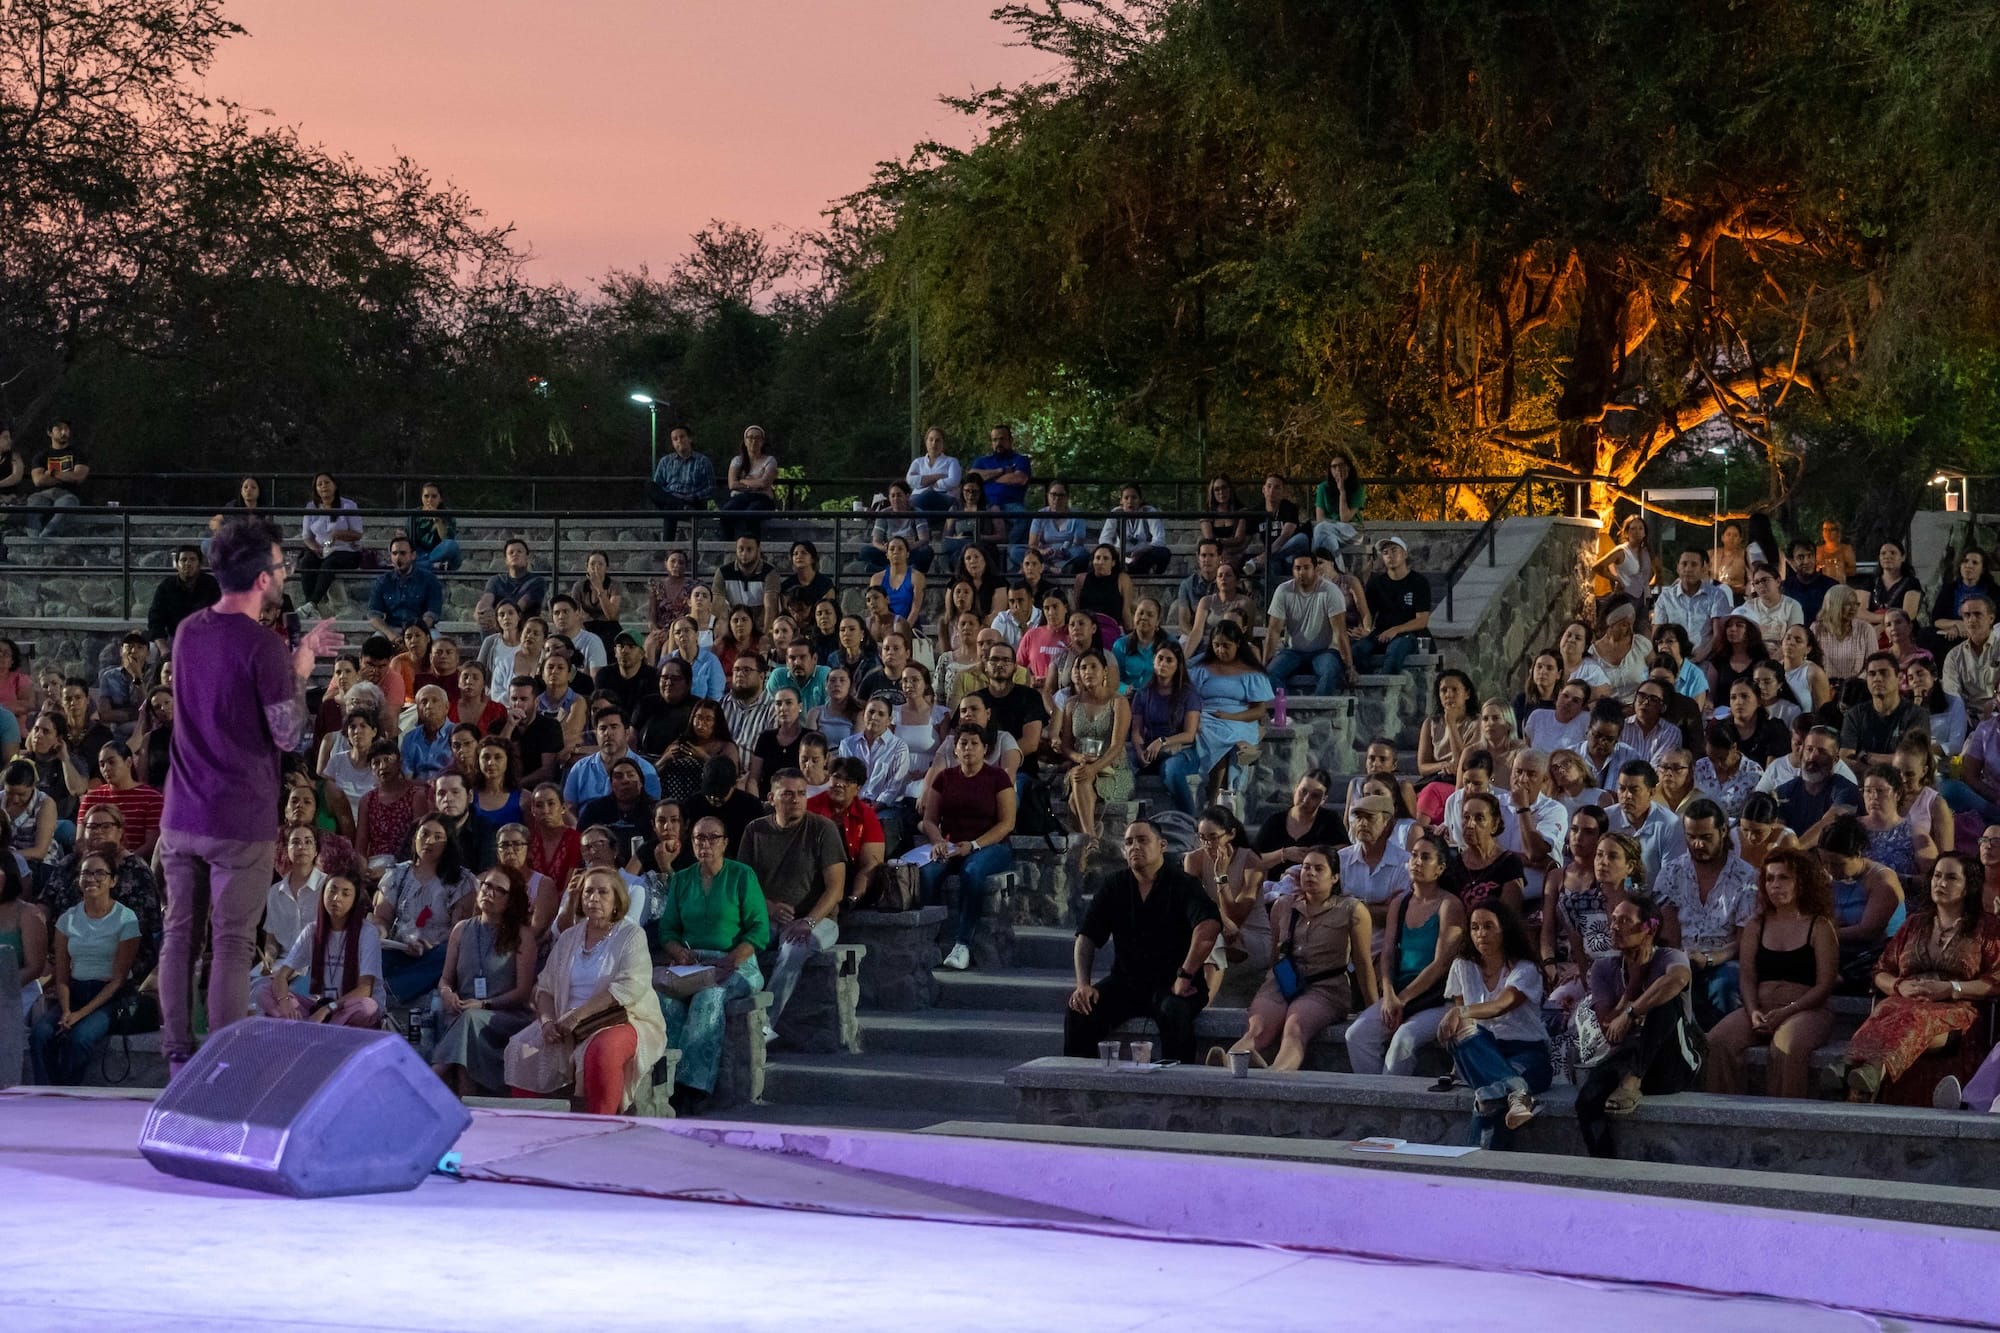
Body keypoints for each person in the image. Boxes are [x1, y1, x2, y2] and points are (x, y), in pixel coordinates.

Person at [154, 517, 340, 1074]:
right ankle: (220, 1072)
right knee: (232, 945)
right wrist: (301, 668)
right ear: (263, 579)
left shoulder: (187, 630)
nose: (285, 574)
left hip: (182, 812)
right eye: (281, 567)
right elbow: (286, 736)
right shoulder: (263, 649)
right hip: (239, 818)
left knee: (179, 938)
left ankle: (176, 1061)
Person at [1839, 853, 2000, 1102]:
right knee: (1887, 1009)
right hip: (1904, 1001)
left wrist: (1950, 988)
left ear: (1968, 885)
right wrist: (1899, 985)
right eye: (1937, 876)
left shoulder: (1987, 928)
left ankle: (1861, 1069)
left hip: (1958, 1011)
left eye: (1951, 878)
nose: (1941, 883)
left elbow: (1995, 982)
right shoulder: (1914, 924)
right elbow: (1879, 971)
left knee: (1913, 1015)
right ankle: (1858, 1074)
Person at [507, 866, 666, 1115]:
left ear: (617, 900)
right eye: (588, 892)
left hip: (620, 1019)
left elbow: (629, 987)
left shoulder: (631, 935)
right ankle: (533, 1128)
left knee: (602, 1050)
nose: (594, 898)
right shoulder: (570, 937)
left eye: (603, 892)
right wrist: (547, 1021)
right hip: (564, 1021)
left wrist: (578, 1015)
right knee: (521, 1047)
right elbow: (545, 987)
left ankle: (601, 1127)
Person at [1064, 819, 1222, 1063]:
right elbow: (1086, 936)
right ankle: (1077, 1086)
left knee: (1175, 1012)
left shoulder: (1183, 884)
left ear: (1162, 845)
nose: (1135, 847)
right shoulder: (1115, 886)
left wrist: (1185, 974)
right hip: (1126, 982)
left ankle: (1179, 1090)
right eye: (1129, 842)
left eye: (1142, 840)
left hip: (1175, 983)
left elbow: (1208, 926)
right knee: (1081, 1010)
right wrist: (1083, 983)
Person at [650, 818, 769, 1111]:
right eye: (698, 838)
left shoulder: (742, 875)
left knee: (709, 996)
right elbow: (668, 930)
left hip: (738, 963)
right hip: (693, 964)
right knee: (665, 1000)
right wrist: (678, 952)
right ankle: (668, 1075)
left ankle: (694, 1085)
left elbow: (759, 929)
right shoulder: (682, 879)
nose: (705, 844)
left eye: (712, 838)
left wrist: (730, 960)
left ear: (725, 842)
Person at [1702, 848, 1839, 1099]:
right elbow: (1747, 975)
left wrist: (1787, 1011)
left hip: (1807, 1008)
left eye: (1784, 878)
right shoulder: (1757, 924)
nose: (1775, 885)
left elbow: (1825, 984)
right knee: (1718, 1041)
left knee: (1786, 1046)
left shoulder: (1819, 926)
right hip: (1761, 1005)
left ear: (1801, 882)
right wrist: (1753, 1011)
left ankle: (1784, 1123)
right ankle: (1725, 1117)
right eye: (1770, 878)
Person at [1576, 891, 1703, 1157]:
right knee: (1586, 1100)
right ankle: (1605, 1171)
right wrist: (1634, 981)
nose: (1614, 927)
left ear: (1649, 928)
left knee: (1667, 1001)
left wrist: (1632, 1013)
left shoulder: (1671, 956)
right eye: (1613, 920)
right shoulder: (1603, 968)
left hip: (1672, 1065)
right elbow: (1610, 1030)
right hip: (1626, 1055)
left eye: (1624, 921)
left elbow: (1678, 980)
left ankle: (1634, 1078)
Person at [1227, 846, 1373, 1071]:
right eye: (1306, 867)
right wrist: (1270, 987)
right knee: (1258, 1028)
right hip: (1284, 981)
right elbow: (1275, 956)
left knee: (1295, 1026)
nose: (1310, 873)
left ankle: (1274, 1076)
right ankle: (1228, 1066)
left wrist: (1373, 1009)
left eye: (1318, 869)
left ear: (1334, 877)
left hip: (1326, 988)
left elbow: (1363, 964)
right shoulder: (1283, 906)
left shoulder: (1352, 910)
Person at [1345, 832, 1466, 1074]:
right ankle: (1375, 1097)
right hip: (1400, 994)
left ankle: (1389, 1102)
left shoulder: (1449, 905)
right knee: (1356, 1035)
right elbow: (1388, 954)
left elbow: (1441, 964)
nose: (1417, 862)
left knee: (1403, 1040)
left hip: (1437, 998)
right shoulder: (1400, 903)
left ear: (1440, 868)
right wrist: (1389, 994)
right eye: (1413, 856)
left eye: (1425, 857)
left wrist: (1403, 999)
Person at [737, 770, 847, 1026]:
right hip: (769, 916)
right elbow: (744, 884)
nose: (796, 799)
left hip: (819, 919)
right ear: (771, 798)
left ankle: (763, 1026)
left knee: (793, 949)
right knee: (739, 945)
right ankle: (731, 1014)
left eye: (801, 793)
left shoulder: (823, 829)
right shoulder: (755, 830)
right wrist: (769, 907)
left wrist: (808, 922)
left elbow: (836, 889)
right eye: (787, 794)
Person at [1440, 901, 1552, 1146]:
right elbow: (1462, 1019)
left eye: (1489, 926)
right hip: (1482, 1053)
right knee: (1460, 1030)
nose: (1481, 933)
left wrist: (1462, 1011)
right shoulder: (1462, 965)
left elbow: (1502, 1005)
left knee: (1491, 1097)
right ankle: (1519, 1094)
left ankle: (1478, 1167)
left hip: (1526, 1053)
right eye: (1475, 927)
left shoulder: (1525, 968)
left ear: (1505, 929)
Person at [28, 846, 139, 1084]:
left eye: (100, 873)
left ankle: (68, 1094)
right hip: (75, 991)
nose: (92, 879)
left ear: (113, 880)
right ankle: (47, 1095)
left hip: (110, 996)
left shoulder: (126, 919)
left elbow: (119, 979)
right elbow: (62, 974)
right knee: (40, 1034)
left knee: (80, 1038)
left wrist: (79, 1015)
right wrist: (67, 1010)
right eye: (86, 873)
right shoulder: (68, 919)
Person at [430, 865, 537, 1095]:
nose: (489, 892)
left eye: (499, 890)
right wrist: (447, 993)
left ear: (510, 901)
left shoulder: (522, 936)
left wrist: (485, 1004)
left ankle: (429, 1078)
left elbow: (522, 992)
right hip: (464, 1013)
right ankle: (468, 1110)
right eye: (487, 885)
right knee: (464, 1025)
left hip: (504, 1017)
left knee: (469, 1022)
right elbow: (445, 979)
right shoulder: (461, 929)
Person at [1654, 798, 1759, 1027]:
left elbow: (1744, 941)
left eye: (1705, 837)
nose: (1698, 844)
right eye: (1691, 837)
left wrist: (1709, 959)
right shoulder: (1672, 872)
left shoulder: (1746, 876)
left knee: (1726, 984)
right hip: (1682, 957)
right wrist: (1681, 959)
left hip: (1724, 959)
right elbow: (1669, 932)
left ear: (1722, 831)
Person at [919, 729, 1017, 971]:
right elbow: (929, 820)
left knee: (972, 872)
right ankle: (931, 939)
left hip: (990, 845)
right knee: (928, 874)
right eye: (963, 743)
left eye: (975, 743)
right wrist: (939, 841)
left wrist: (974, 845)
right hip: (952, 845)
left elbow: (1007, 823)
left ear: (986, 749)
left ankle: (962, 943)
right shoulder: (944, 778)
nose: (968, 748)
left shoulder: (998, 778)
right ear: (955, 749)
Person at [251, 873, 384, 1029]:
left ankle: (308, 1029)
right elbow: (282, 975)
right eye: (332, 891)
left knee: (366, 1007)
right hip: (318, 1007)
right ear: (323, 894)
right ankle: (300, 1024)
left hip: (344, 1008)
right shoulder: (312, 930)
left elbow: (365, 989)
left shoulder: (367, 932)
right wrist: (285, 1002)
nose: (336, 898)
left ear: (354, 900)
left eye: (345, 893)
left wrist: (328, 1009)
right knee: (263, 990)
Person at [1055, 650, 1131, 843]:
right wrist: (1078, 758)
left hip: (1114, 770)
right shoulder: (1072, 704)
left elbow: (1116, 746)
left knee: (1075, 795)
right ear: (1078, 674)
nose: (1088, 671)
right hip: (1082, 765)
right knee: (1079, 776)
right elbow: (1066, 746)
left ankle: (1087, 839)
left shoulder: (1118, 702)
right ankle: (1091, 840)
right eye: (1083, 668)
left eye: (1093, 667)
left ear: (1104, 671)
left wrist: (1093, 768)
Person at [1264, 552, 1353, 696]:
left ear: (1315, 569)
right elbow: (1273, 631)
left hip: (1324, 650)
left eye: (1306, 567)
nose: (1301, 572)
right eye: (1297, 568)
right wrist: (1265, 663)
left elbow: (1340, 632)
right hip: (1293, 650)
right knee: (1271, 673)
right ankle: (1285, 713)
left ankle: (1319, 712)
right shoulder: (1283, 590)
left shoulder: (1330, 591)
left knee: (1329, 671)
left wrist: (1349, 666)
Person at [1352, 535, 1431, 675]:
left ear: (1405, 554)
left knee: (1395, 650)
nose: (1390, 555)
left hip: (1409, 635)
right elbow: (1368, 613)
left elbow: (1422, 620)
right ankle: (1370, 688)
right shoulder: (1376, 583)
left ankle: (1387, 691)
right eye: (1385, 552)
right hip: (1382, 633)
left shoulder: (1419, 582)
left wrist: (1396, 630)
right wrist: (1367, 630)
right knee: (1357, 650)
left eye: (1394, 550)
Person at [75, 741, 163, 857]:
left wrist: (126, 860)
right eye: (102, 764)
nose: (106, 768)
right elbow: (81, 841)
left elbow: (152, 844)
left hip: (135, 865)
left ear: (129, 762)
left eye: (112, 762)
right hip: (96, 864)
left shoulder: (152, 798)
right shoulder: (91, 798)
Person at [293, 472, 364, 614]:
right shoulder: (311, 507)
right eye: (319, 484)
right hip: (321, 549)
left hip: (346, 551)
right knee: (307, 562)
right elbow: (307, 536)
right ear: (316, 489)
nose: (323, 486)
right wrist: (315, 549)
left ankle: (312, 603)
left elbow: (358, 534)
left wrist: (338, 534)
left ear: (335, 485)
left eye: (327, 483)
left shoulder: (348, 505)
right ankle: (310, 606)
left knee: (330, 562)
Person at [1774, 726, 1863, 838]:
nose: (1812, 757)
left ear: (1835, 759)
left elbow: (1828, 826)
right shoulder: (1784, 791)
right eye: (1809, 749)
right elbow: (1777, 832)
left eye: (1822, 752)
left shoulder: (1847, 791)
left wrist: (1797, 849)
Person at [1606, 759, 1687, 882]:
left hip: (1653, 898)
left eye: (1634, 790)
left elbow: (1671, 878)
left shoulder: (1670, 825)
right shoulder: (1606, 818)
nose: (1626, 795)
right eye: (1622, 788)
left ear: (1651, 792)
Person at [1653, 548, 1733, 662]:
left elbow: (1718, 635)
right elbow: (1657, 633)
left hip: (1706, 659)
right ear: (1677, 567)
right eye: (1684, 564)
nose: (1688, 569)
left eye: (1694, 564)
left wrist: (1698, 659)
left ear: (1703, 568)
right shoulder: (1665, 597)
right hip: (1672, 661)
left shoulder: (1717, 595)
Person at [146, 547, 221, 657]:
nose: (188, 563)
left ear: (199, 564)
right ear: (176, 564)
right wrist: (163, 649)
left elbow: (218, 616)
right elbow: (155, 620)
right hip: (175, 639)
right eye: (183, 560)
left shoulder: (210, 584)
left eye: (192, 559)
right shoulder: (166, 587)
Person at [366, 534, 443, 641]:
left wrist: (414, 633)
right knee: (373, 645)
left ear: (413, 555)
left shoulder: (429, 579)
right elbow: (373, 614)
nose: (398, 557)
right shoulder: (383, 581)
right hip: (392, 628)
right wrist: (391, 634)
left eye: (402, 553)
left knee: (437, 642)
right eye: (394, 553)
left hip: (421, 628)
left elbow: (432, 613)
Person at [647, 423, 715, 539]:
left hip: (693, 502)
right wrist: (672, 495)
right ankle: (679, 506)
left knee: (669, 510)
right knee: (649, 486)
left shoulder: (703, 461)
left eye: (682, 437)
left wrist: (693, 497)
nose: (679, 441)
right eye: (675, 439)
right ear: (673, 443)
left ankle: (668, 550)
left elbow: (711, 488)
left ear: (690, 439)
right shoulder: (665, 461)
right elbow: (657, 485)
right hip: (672, 498)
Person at [25, 419, 91, 535]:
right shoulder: (41, 456)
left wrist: (52, 473)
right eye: (59, 429)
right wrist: (65, 477)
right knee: (33, 507)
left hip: (67, 493)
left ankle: (45, 537)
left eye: (66, 429)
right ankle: (33, 540)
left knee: (66, 506)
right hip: (43, 494)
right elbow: (38, 480)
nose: (64, 432)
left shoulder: (78, 454)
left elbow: (78, 477)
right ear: (50, 433)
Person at [476, 538, 549, 634]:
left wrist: (499, 618)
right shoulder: (496, 580)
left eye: (519, 551)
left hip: (523, 630)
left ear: (527, 557)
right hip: (499, 627)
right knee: (485, 621)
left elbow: (520, 606)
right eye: (511, 552)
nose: (515, 554)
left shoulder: (537, 581)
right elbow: (486, 600)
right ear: (506, 560)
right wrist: (482, 613)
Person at [718, 424, 778, 539]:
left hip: (762, 498)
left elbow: (765, 483)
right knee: (725, 514)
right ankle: (727, 547)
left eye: (757, 438)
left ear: (762, 442)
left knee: (751, 514)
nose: (753, 441)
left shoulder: (769, 460)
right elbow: (732, 484)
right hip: (740, 497)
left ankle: (754, 547)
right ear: (745, 441)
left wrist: (742, 481)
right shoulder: (737, 460)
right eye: (750, 438)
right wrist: (753, 484)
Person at [1310, 450, 1367, 558]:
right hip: (1329, 530)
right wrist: (1331, 525)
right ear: (1330, 470)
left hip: (1353, 532)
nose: (1338, 469)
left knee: (1321, 529)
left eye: (1342, 465)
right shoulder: (1323, 488)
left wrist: (1342, 491)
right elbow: (1320, 519)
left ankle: (1315, 562)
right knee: (1329, 541)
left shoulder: (1358, 487)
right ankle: (1337, 572)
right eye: (1334, 466)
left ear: (1348, 467)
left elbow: (1345, 518)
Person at [1591, 514, 1656, 606]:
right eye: (1633, 529)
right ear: (1627, 532)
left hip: (1644, 601)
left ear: (1645, 532)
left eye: (1640, 528)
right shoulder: (1621, 551)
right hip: (1624, 599)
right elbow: (1598, 567)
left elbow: (1659, 573)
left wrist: (1647, 587)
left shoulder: (1647, 552)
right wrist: (1617, 579)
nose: (1637, 532)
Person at [1862, 537, 1924, 628]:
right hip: (1872, 630)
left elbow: (1907, 616)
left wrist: (1881, 627)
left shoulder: (1912, 583)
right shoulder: (1870, 581)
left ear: (1902, 557)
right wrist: (1881, 621)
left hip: (1901, 632)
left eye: (1893, 553)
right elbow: (1859, 612)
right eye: (1883, 553)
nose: (1887, 556)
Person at [1735, 564, 1803, 644]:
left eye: (1764, 580)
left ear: (1778, 581)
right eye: (1756, 583)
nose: (1761, 585)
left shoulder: (1792, 606)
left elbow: (1794, 638)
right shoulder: (1749, 607)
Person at [1780, 540, 1838, 627]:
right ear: (1792, 561)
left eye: (1810, 556)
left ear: (1815, 557)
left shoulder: (1832, 586)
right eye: (1800, 557)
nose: (1806, 561)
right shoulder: (1785, 588)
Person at [906, 426, 962, 513]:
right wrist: (937, 477)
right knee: (915, 501)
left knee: (929, 495)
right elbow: (910, 480)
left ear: (943, 443)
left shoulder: (951, 461)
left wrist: (931, 483)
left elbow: (954, 480)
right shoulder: (918, 462)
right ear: (926, 442)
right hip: (918, 497)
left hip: (943, 497)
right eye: (931, 440)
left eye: (938, 440)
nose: (934, 443)